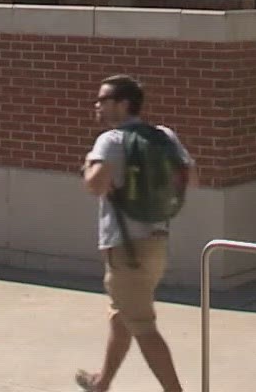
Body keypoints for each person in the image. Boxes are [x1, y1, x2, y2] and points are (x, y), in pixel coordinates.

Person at [76, 75, 193, 392]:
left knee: (142, 326)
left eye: (103, 99)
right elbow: (191, 176)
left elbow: (95, 185)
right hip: (157, 243)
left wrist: (89, 165)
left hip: (126, 249)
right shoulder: (164, 135)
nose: (96, 105)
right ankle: (102, 383)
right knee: (122, 317)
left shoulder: (110, 140)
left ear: (122, 104)